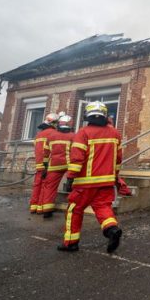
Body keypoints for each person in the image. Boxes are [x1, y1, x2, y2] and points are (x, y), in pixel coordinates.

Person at [58, 101, 123, 253]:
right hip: (106, 181)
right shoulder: (115, 133)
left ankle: (71, 243)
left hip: (84, 183)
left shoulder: (83, 132)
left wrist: (70, 178)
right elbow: (118, 159)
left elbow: (76, 158)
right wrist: (115, 177)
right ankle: (112, 230)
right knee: (103, 207)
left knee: (74, 210)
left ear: (87, 115)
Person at [39, 114, 74, 218]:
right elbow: (77, 152)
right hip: (69, 165)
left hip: (53, 165)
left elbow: (45, 153)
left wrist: (45, 167)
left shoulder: (50, 136)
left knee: (50, 188)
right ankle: (73, 209)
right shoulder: (74, 136)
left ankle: (47, 211)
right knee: (75, 186)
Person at [29, 113, 60, 214]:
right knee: (45, 186)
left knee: (37, 185)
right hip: (48, 164)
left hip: (39, 164)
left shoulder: (39, 135)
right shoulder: (53, 133)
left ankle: (33, 207)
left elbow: (36, 148)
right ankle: (41, 207)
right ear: (54, 123)